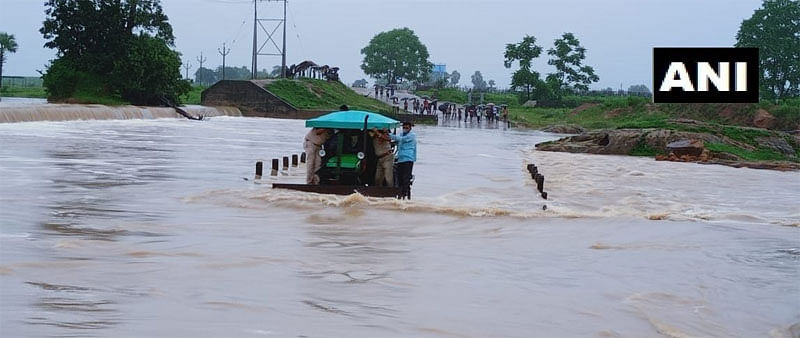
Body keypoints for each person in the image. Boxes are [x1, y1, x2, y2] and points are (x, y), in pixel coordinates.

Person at [389, 121, 417, 199]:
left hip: (408, 159)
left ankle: (406, 196)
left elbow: (401, 139)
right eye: (403, 127)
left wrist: (388, 134)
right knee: (399, 178)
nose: (404, 129)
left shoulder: (412, 135)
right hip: (400, 159)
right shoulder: (401, 134)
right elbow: (397, 142)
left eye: (406, 128)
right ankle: (401, 195)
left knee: (406, 178)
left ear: (410, 128)